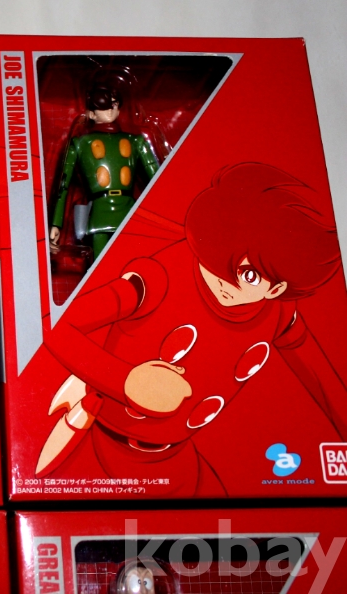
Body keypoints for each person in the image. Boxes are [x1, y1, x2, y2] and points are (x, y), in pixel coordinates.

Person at [37, 163, 346, 496]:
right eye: (215, 255)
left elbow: (323, 380)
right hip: (115, 449)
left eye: (249, 276)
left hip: (178, 456)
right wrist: (123, 380)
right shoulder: (159, 278)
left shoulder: (279, 311)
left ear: (278, 287)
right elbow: (58, 326)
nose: (223, 279)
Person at [49, 85, 159, 260]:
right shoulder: (80, 143)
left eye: (114, 104)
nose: (110, 109)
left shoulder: (136, 141)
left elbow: (159, 180)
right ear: (91, 114)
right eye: (104, 105)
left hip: (129, 211)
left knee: (133, 262)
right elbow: (63, 185)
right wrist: (56, 223)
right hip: (99, 213)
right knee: (99, 263)